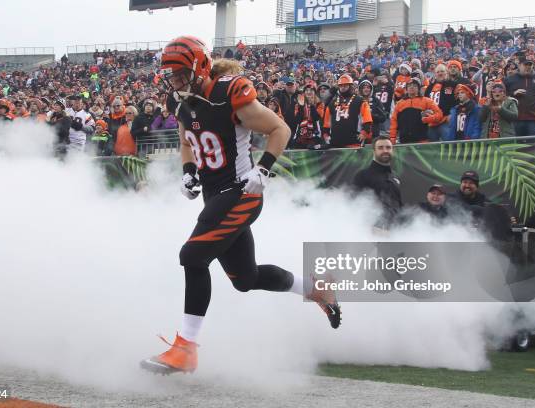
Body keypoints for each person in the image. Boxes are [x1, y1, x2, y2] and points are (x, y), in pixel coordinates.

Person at [140, 36, 341, 376]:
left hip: (241, 193)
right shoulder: (185, 105)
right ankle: (314, 288)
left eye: (179, 73)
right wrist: (189, 173)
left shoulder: (229, 92)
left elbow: (280, 129)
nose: (174, 80)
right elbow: (188, 141)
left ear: (199, 67)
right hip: (215, 195)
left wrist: (263, 168)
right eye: (169, 74)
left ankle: (186, 349)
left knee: (192, 256)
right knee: (245, 278)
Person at [353, 136, 402, 228]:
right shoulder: (362, 175)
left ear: (392, 150)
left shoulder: (395, 176)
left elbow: (398, 205)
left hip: (395, 232)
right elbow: (355, 207)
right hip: (372, 234)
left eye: (388, 147)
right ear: (373, 151)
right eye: (380, 148)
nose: (385, 151)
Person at [322, 74, 373, 147]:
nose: (343, 87)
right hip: (335, 143)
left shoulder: (360, 101)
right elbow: (327, 122)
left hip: (354, 142)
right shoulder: (332, 103)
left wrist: (365, 132)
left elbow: (367, 120)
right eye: (341, 86)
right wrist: (326, 134)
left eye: (345, 85)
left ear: (350, 86)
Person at [389, 78, 443, 144]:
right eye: (409, 86)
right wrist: (392, 137)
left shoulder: (426, 101)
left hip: (422, 140)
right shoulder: (400, 103)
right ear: (406, 89)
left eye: (414, 85)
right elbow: (394, 121)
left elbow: (439, 114)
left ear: (418, 88)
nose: (412, 87)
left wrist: (427, 119)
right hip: (404, 141)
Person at [504, 57, 535, 136]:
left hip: (534, 119)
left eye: (530, 64)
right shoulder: (509, 79)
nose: (528, 67)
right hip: (515, 118)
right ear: (519, 65)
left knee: (533, 145)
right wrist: (513, 93)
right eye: (525, 64)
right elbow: (503, 95)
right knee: (517, 145)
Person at [424, 64, 458, 141]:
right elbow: (425, 102)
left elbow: (457, 101)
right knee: (432, 147)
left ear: (446, 72)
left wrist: (452, 114)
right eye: (438, 72)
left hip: (445, 121)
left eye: (442, 71)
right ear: (435, 74)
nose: (440, 73)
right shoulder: (429, 87)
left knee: (448, 145)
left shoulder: (453, 85)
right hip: (432, 122)